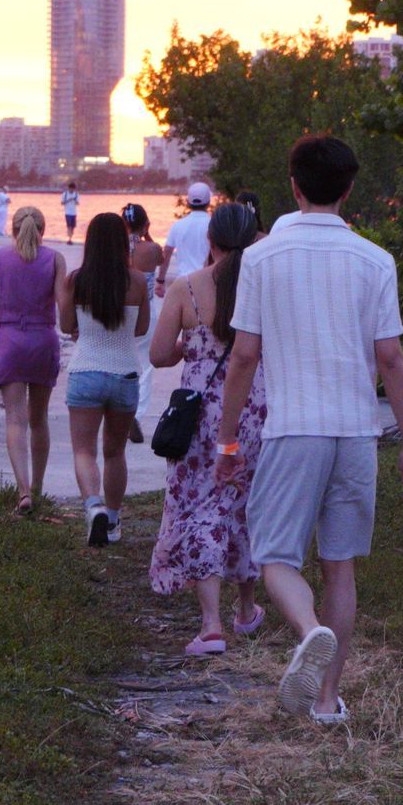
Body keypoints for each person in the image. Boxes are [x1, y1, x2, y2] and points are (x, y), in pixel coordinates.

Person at [215, 135, 403, 724]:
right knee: (341, 564)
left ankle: (308, 631)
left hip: (294, 429)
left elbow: (244, 357)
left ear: (294, 184)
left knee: (274, 554)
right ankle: (329, 701)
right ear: (350, 188)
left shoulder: (261, 259)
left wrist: (227, 440)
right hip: (356, 431)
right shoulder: (375, 260)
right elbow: (390, 359)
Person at [149, 203, 267, 656]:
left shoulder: (187, 288)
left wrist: (189, 345)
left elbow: (159, 355)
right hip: (255, 412)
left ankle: (211, 624)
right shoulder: (265, 289)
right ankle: (246, 609)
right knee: (244, 503)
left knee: (198, 509)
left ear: (211, 242)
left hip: (200, 418)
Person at [0, 206, 66, 515]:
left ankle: (23, 491)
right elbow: (64, 303)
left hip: (11, 342)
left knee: (15, 420)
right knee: (39, 419)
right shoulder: (55, 259)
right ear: (42, 230)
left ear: (13, 230)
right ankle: (38, 486)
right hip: (43, 340)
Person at [60, 211, 151, 547]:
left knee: (84, 451)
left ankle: (93, 506)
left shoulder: (76, 280)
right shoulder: (138, 281)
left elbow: (65, 323)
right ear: (122, 241)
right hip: (125, 374)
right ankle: (112, 521)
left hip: (85, 372)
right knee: (115, 453)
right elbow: (141, 328)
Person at [123, 203, 166, 442]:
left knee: (122, 361)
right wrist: (146, 233)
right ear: (145, 223)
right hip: (146, 313)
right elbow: (161, 258)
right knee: (145, 367)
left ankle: (120, 410)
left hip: (122, 311)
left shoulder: (117, 250)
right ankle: (136, 413)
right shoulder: (151, 249)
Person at [158, 181, 214, 297]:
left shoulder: (178, 225)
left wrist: (160, 280)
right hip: (207, 282)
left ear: (188, 202)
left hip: (183, 283)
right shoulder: (213, 225)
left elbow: (167, 253)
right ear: (208, 202)